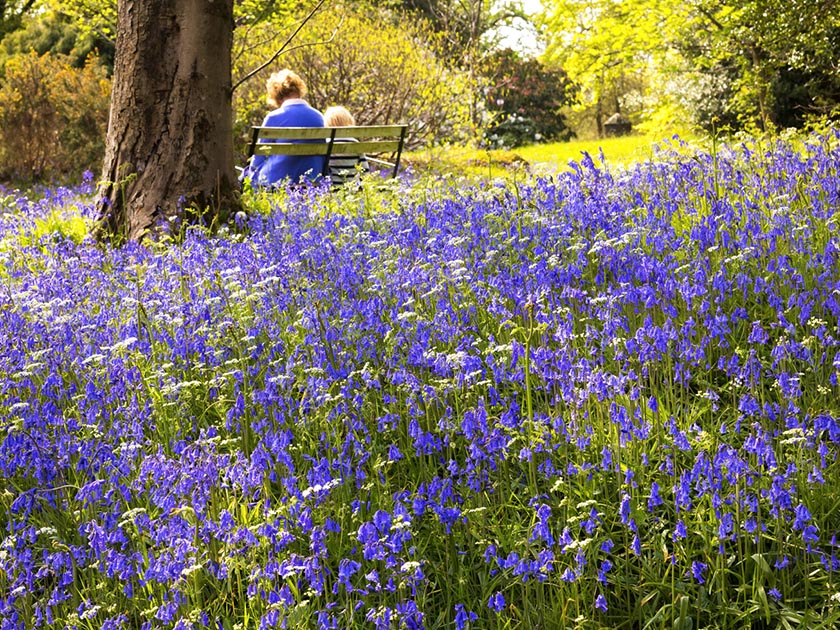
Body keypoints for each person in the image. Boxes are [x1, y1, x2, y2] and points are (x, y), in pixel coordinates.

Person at [241, 69, 325, 187]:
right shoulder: (318, 116)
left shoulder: (273, 118)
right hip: (313, 178)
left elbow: (260, 155)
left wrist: (250, 177)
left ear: (277, 96)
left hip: (278, 179)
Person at [323, 105, 369, 188]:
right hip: (352, 190)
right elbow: (365, 170)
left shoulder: (326, 144)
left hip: (331, 189)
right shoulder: (355, 143)